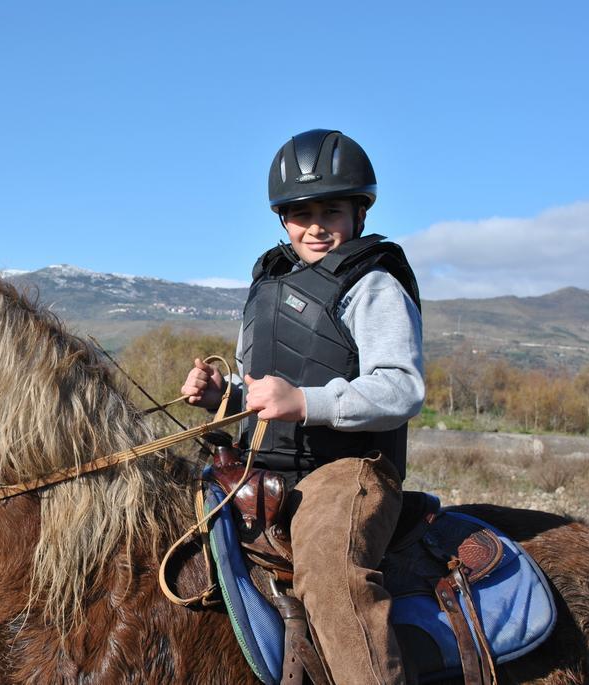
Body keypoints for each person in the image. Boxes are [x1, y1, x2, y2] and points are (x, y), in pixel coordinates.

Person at [181, 129, 424, 685]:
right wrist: (227, 397)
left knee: (331, 574)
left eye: (332, 210)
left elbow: (401, 388)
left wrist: (304, 402)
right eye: (300, 212)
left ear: (360, 211)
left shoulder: (373, 284)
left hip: (348, 472)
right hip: (260, 467)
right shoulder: (267, 283)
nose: (316, 225)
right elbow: (267, 392)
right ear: (282, 218)